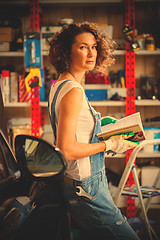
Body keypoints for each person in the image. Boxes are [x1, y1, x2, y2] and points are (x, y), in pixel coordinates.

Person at [48, 22, 139, 240]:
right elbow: (67, 149)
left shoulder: (59, 84)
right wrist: (110, 144)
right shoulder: (73, 91)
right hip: (87, 188)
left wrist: (100, 126)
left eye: (94, 46)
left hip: (76, 184)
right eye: (82, 47)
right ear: (66, 51)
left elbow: (74, 131)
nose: (91, 53)